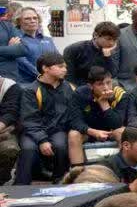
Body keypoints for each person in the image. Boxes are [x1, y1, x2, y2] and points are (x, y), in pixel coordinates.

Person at [15, 52, 77, 184]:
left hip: (57, 129)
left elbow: (73, 113)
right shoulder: (31, 90)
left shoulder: (68, 87)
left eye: (65, 67)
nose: (65, 70)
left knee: (60, 146)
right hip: (32, 131)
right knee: (28, 149)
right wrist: (42, 140)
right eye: (60, 66)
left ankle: (60, 180)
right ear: (45, 68)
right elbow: (29, 120)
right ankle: (21, 184)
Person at [62, 21, 121, 86]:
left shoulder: (111, 49)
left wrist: (107, 56)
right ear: (96, 35)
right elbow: (68, 77)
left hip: (101, 86)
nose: (112, 43)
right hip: (78, 86)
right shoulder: (74, 49)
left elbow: (113, 74)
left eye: (115, 40)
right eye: (109, 39)